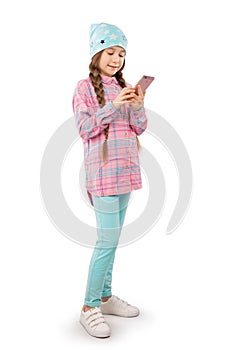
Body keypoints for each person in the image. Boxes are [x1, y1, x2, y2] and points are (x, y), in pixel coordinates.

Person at [72, 22, 147, 338]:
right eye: (111, 52)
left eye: (121, 53)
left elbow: (138, 128)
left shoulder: (125, 86)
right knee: (106, 242)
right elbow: (85, 129)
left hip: (125, 173)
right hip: (102, 177)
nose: (117, 59)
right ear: (97, 54)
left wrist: (138, 107)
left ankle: (105, 297)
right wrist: (112, 106)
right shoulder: (84, 88)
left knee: (113, 240)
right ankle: (89, 307)